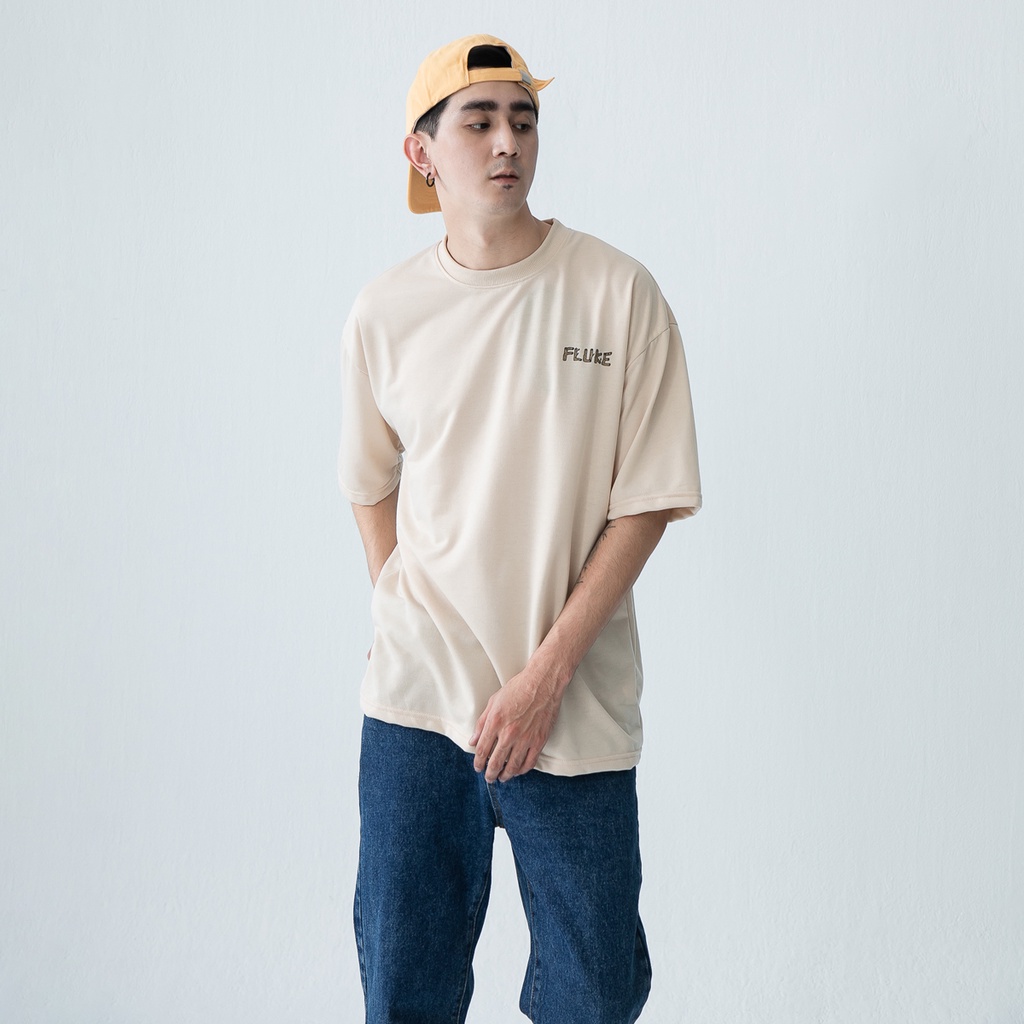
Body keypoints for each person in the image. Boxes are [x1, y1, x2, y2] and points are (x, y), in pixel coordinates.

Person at [338, 34, 701, 1024]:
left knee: (596, 993)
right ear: (421, 152)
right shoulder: (385, 311)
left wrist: (544, 677)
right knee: (403, 987)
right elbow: (370, 483)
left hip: (571, 709)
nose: (508, 142)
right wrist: (396, 606)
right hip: (417, 711)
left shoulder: (617, 293)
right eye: (480, 121)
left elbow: (646, 501)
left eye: (524, 120)